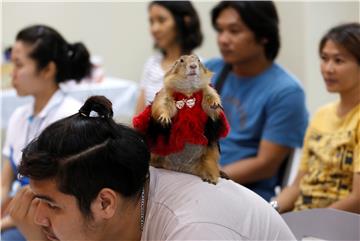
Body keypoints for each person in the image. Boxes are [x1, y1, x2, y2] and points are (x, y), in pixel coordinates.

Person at [8, 96, 295, 241]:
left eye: (49, 204)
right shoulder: (129, 202)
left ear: (105, 202)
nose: (38, 217)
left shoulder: (193, 229)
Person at [204, 1, 309, 201]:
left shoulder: (286, 91)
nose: (223, 39)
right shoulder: (210, 71)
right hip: (201, 179)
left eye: (234, 31)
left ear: (263, 36)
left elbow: (265, 165)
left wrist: (209, 176)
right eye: (220, 30)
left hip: (245, 194)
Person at [1, 24, 91, 240]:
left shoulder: (71, 117)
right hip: (17, 213)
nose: (12, 73)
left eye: (19, 65)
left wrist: (3, 223)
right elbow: (5, 183)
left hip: (48, 222)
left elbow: (58, 200)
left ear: (48, 70)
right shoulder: (19, 116)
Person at [274, 22, 360, 214]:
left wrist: (313, 223)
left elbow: (357, 199)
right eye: (324, 58)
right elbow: (296, 186)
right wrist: (271, 209)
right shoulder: (321, 115)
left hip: (341, 224)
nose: (328, 69)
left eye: (338, 61)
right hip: (305, 219)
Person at [135, 1, 203, 114]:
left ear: (184, 21)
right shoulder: (152, 63)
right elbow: (138, 116)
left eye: (161, 20)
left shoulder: (200, 67)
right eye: (151, 22)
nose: (154, 29)